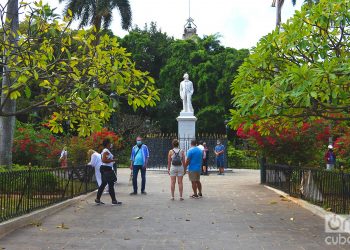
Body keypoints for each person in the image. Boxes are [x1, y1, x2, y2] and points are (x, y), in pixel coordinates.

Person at [95, 138, 122, 205]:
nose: (111, 144)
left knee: (103, 184)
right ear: (107, 144)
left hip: (105, 168)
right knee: (111, 184)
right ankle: (114, 201)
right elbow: (104, 160)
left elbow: (105, 159)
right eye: (110, 143)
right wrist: (113, 160)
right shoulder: (106, 151)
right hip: (107, 169)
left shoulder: (105, 150)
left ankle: (97, 199)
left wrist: (111, 160)